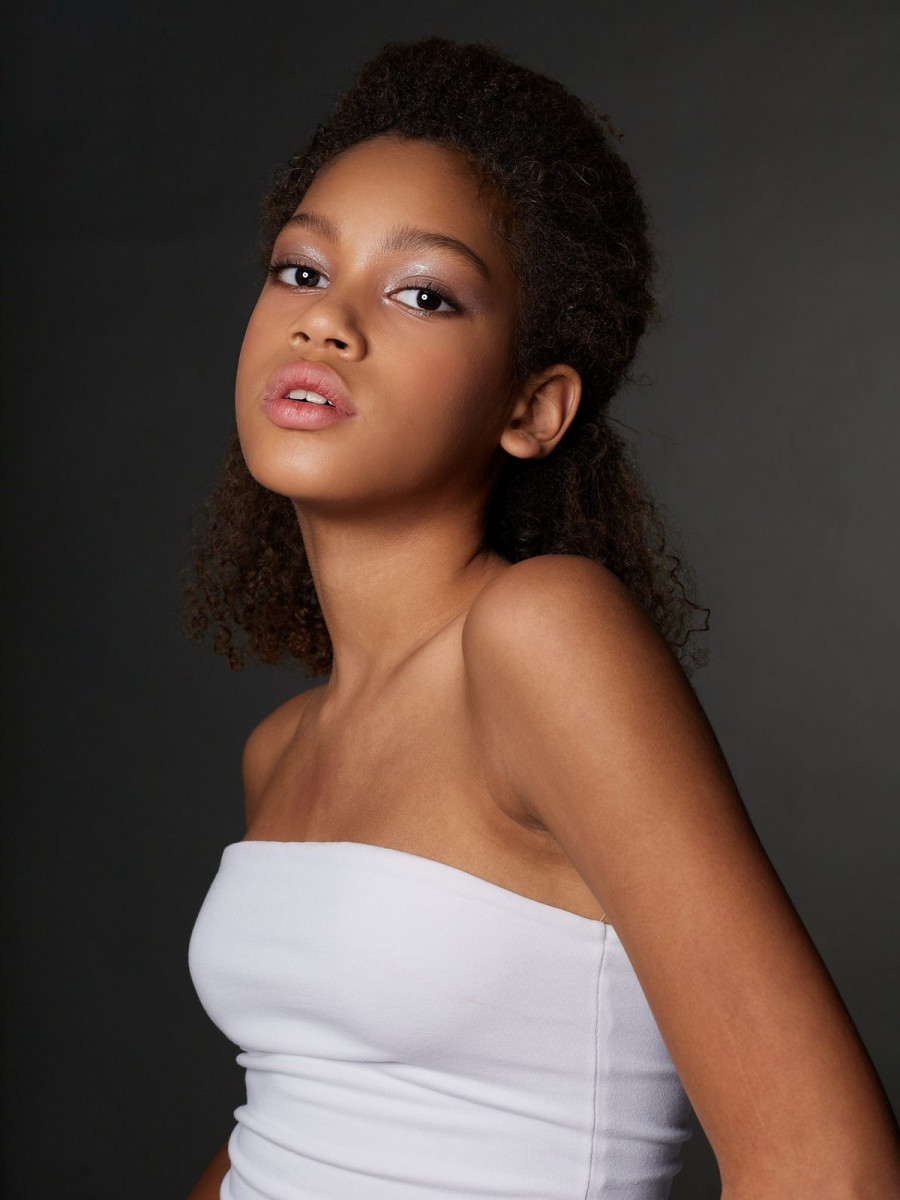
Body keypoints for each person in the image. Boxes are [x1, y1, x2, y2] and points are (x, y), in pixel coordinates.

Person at [182, 36, 900, 1200]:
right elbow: (302, 1115)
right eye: (301, 271)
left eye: (422, 293)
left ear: (532, 407)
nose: (327, 322)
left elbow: (830, 1169)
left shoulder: (540, 635)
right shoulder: (284, 746)